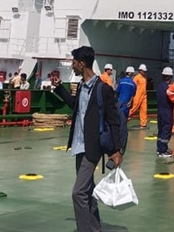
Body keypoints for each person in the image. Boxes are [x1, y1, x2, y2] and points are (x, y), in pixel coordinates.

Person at [51, 46, 125, 232]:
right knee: (88, 191)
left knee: (78, 193)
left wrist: (116, 151)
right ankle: (95, 228)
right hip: (78, 146)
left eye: (74, 63)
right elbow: (76, 106)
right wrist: (59, 87)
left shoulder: (103, 89)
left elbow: (114, 121)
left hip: (92, 147)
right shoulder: (82, 86)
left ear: (82, 64)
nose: (72, 66)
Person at [155, 67, 174, 157]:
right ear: (170, 77)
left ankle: (160, 148)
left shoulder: (159, 86)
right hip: (167, 111)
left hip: (160, 111)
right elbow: (173, 100)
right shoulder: (169, 88)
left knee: (161, 130)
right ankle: (163, 151)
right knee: (166, 130)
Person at [128, 64, 148, 129]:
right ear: (140, 70)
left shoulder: (144, 78)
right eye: (143, 71)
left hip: (144, 96)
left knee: (144, 110)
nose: (144, 72)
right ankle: (125, 119)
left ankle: (143, 124)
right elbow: (133, 87)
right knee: (134, 109)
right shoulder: (136, 78)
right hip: (137, 96)